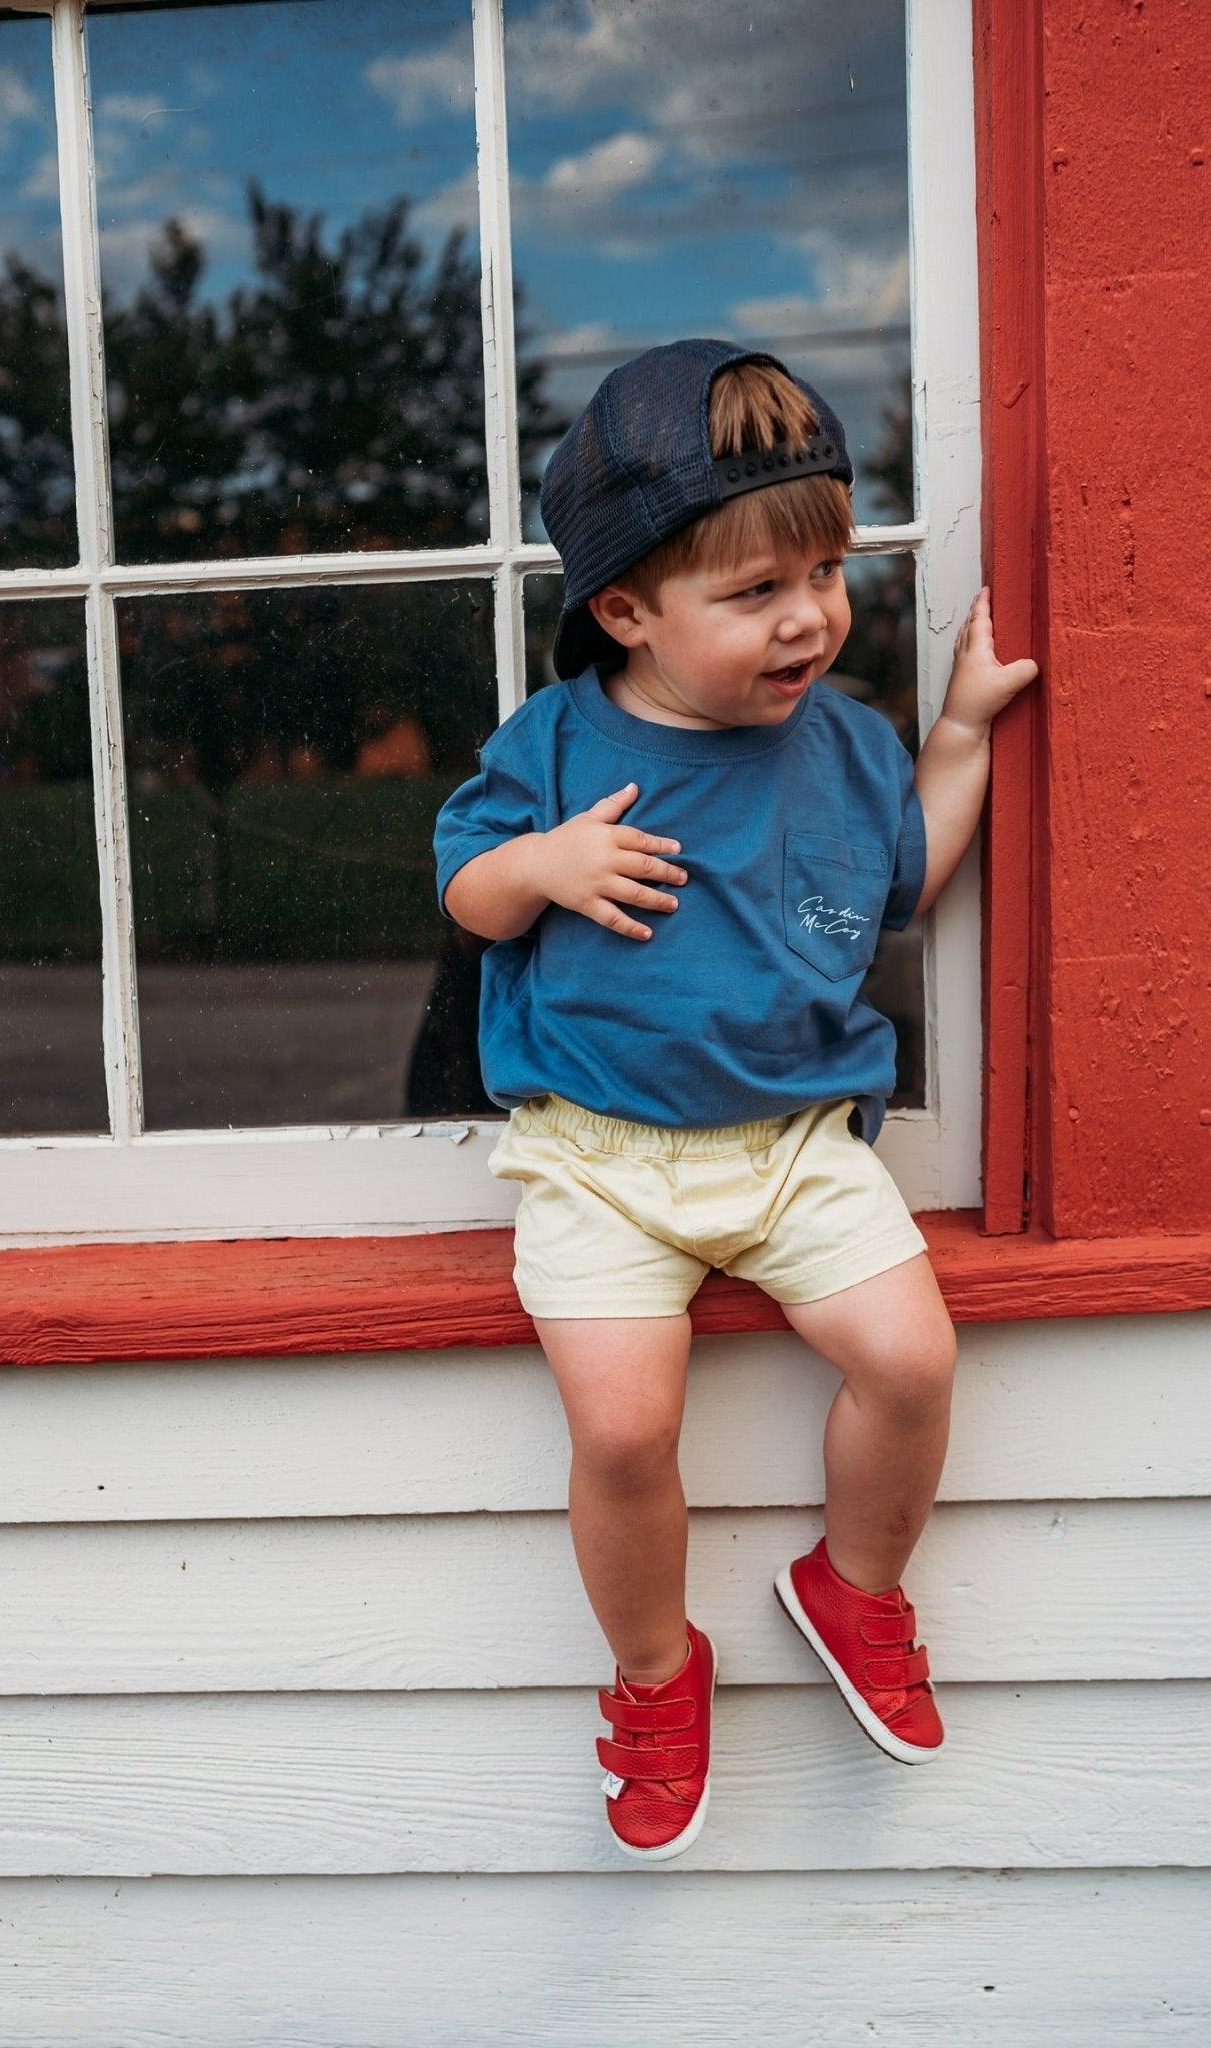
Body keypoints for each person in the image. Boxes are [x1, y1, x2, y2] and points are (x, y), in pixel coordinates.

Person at [431, 339, 1038, 1861]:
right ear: (625, 608)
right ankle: (654, 1671)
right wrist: (543, 864)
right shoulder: (559, 742)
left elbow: (905, 882)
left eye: (824, 575)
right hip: (600, 1161)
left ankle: (856, 1585)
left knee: (909, 1360)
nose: (809, 618)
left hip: (791, 1149)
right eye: (756, 593)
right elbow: (468, 895)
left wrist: (954, 737)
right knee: (625, 1434)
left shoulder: (837, 745)